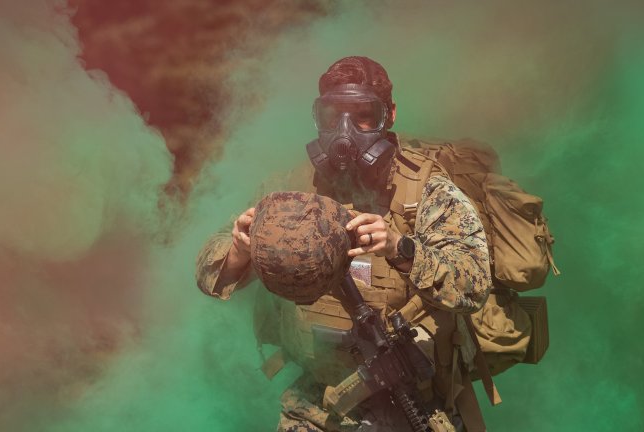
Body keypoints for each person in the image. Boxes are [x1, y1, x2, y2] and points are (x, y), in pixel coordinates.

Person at [196, 56, 493, 431]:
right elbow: (209, 273)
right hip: (316, 408)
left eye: (364, 115)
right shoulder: (290, 190)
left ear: (390, 115)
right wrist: (239, 249)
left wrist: (402, 249)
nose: (346, 130)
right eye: (332, 115)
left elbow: (475, 286)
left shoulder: (426, 191)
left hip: (414, 407)